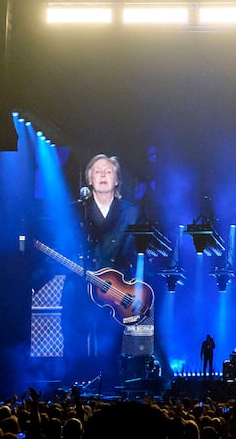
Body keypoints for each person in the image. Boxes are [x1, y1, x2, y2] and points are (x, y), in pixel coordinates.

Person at [66, 153, 142, 388]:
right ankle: (81, 379)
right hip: (84, 285)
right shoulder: (77, 210)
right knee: (82, 332)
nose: (102, 175)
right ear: (89, 178)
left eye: (108, 171)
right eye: (97, 171)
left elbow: (138, 250)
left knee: (120, 338)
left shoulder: (131, 212)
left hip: (119, 287)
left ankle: (123, 380)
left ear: (117, 179)